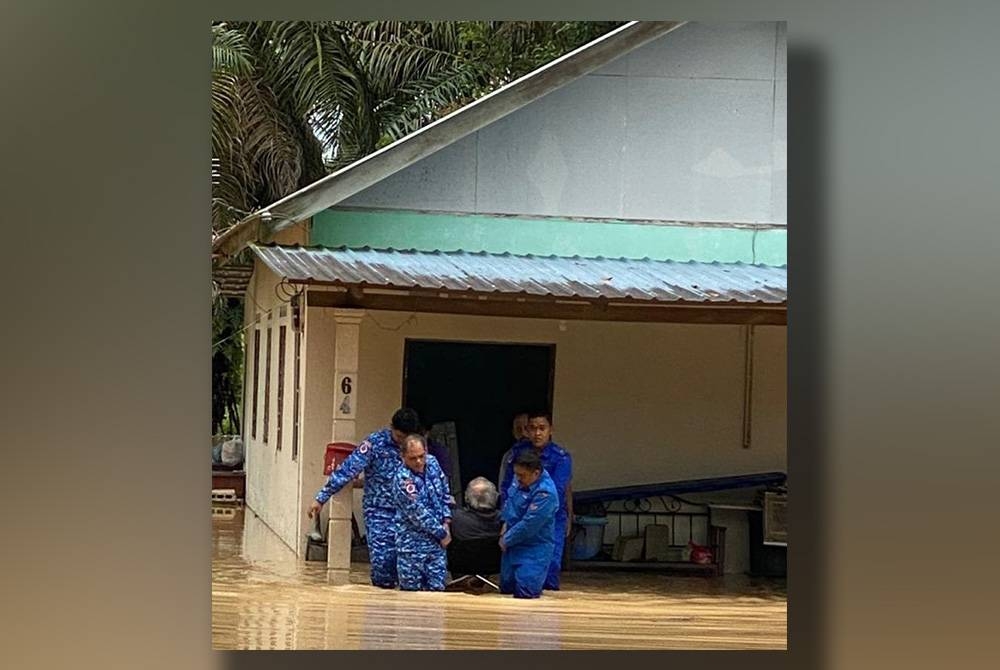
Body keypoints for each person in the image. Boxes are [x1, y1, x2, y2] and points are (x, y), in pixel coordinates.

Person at [307, 408, 447, 588]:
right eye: (399, 436)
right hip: (381, 512)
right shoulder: (375, 443)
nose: (403, 442)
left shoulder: (420, 452)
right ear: (391, 428)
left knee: (413, 568)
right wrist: (321, 498)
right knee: (383, 563)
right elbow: (347, 470)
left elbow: (438, 485)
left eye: (407, 437)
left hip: (410, 517)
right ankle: (382, 602)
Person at [499, 409, 573, 590]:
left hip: (549, 516)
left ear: (551, 430)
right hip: (517, 514)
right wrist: (505, 519)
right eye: (532, 428)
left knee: (550, 566)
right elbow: (507, 487)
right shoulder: (517, 453)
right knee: (511, 575)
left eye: (542, 428)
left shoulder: (560, 457)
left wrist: (570, 514)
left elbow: (558, 490)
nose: (537, 433)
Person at [392, 434, 452, 591]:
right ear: (403, 457)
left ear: (426, 451)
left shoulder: (432, 463)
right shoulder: (402, 479)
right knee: (411, 597)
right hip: (411, 546)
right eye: (413, 458)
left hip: (436, 546)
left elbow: (445, 492)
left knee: (437, 591)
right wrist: (442, 533)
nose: (419, 462)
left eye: (421, 456)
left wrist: (446, 520)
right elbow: (418, 513)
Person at [499, 450, 558, 599]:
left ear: (536, 473)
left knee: (526, 592)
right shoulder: (519, 476)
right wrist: (504, 526)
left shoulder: (546, 493)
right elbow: (510, 502)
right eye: (516, 474)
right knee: (506, 588)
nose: (518, 479)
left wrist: (506, 540)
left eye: (522, 476)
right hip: (512, 544)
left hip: (534, 547)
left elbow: (529, 524)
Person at [497, 412, 529, 488]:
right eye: (518, 429)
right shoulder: (508, 457)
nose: (523, 433)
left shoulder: (545, 454)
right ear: (513, 432)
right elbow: (502, 487)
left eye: (526, 428)